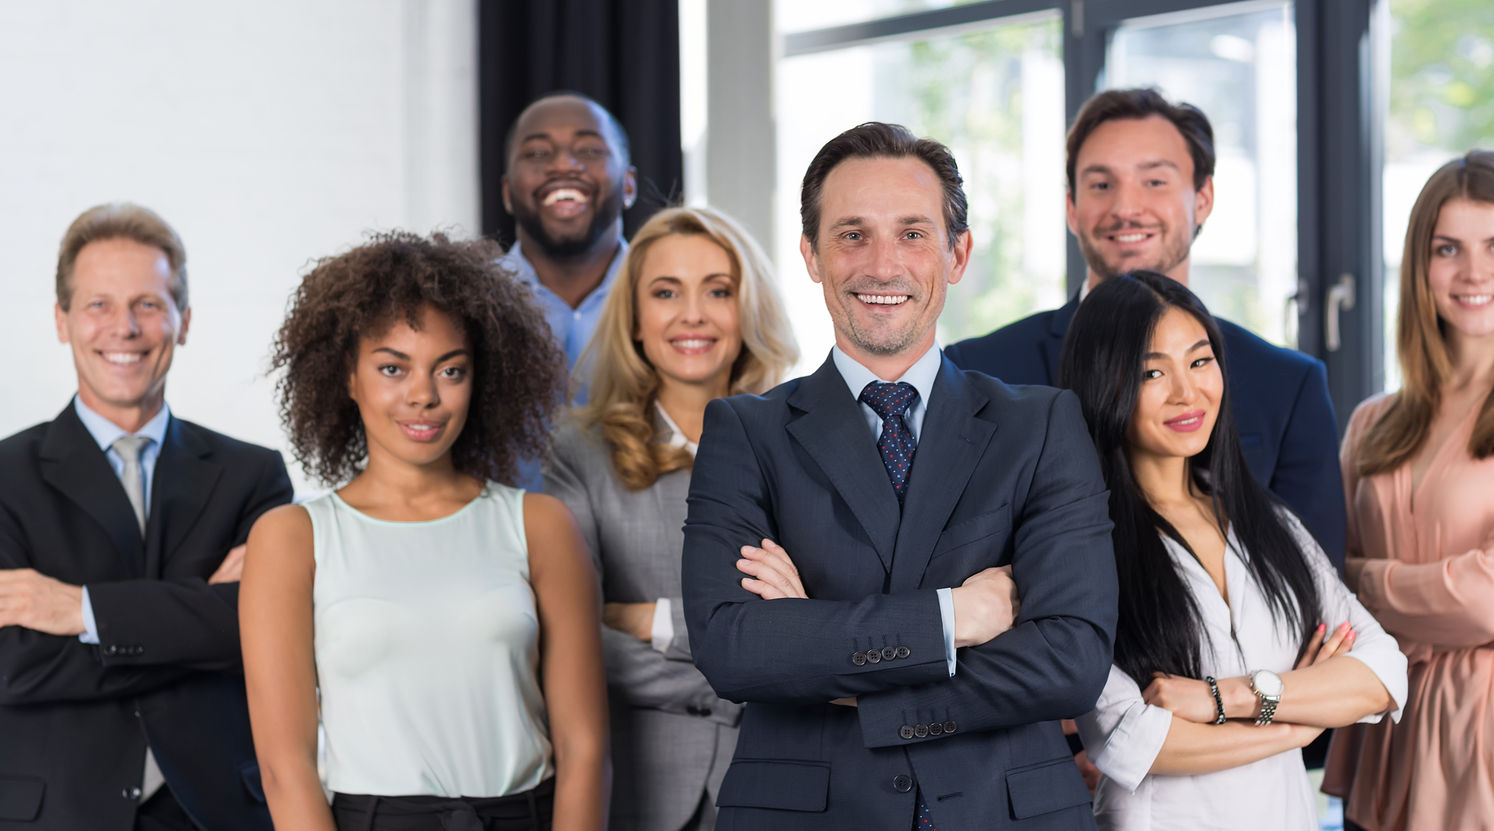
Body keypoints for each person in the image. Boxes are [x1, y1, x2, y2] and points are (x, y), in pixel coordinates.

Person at [681, 122, 1118, 831]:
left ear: (957, 253)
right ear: (811, 255)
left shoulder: (1039, 426)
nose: (881, 265)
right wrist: (958, 617)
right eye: (851, 234)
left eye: (912, 234)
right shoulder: (745, 432)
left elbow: (1070, 658)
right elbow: (736, 648)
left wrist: (830, 657)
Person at [240, 232, 608, 830]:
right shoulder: (292, 538)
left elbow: (586, 751)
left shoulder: (539, 526)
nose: (423, 396)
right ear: (349, 378)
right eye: (392, 367)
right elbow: (286, 768)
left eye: (450, 370)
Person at [943, 87, 1346, 570]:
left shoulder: (1288, 385)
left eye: (1154, 182)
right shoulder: (978, 371)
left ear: (1203, 198)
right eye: (1101, 185)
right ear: (1071, 207)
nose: (1126, 208)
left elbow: (1316, 590)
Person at [1060, 270, 1405, 830]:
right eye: (1153, 371)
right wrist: (1301, 721)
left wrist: (1224, 699)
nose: (1186, 391)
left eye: (1200, 361)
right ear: (1106, 384)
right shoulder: (1081, 544)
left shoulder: (1267, 522)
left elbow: (1383, 672)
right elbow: (1132, 742)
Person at [0, 202, 293, 831]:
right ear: (62, 321)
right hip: (55, 815)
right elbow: (12, 663)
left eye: (148, 304)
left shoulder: (252, 476)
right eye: (99, 304)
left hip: (216, 812)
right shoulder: (4, 478)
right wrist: (201, 620)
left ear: (183, 321)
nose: (124, 327)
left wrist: (80, 611)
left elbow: (265, 636)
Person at [1322, 151, 1494, 831]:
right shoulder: (1372, 421)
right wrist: (1361, 588)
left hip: (1491, 757)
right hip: (1378, 745)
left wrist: (1365, 582)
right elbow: (1322, 595)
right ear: (1419, 268)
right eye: (1446, 248)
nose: (1472, 272)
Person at [546, 205, 798, 830]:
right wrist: (756, 655)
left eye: (719, 290)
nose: (693, 314)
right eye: (666, 292)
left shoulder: (808, 448)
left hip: (785, 783)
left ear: (750, 308)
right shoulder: (577, 453)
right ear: (634, 317)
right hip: (638, 790)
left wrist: (650, 619)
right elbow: (573, 644)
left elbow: (831, 628)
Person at [499, 91, 638, 489]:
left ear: (628, 185)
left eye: (589, 150)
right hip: (505, 545)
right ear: (508, 193)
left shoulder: (670, 303)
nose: (563, 165)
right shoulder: (464, 308)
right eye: (539, 154)